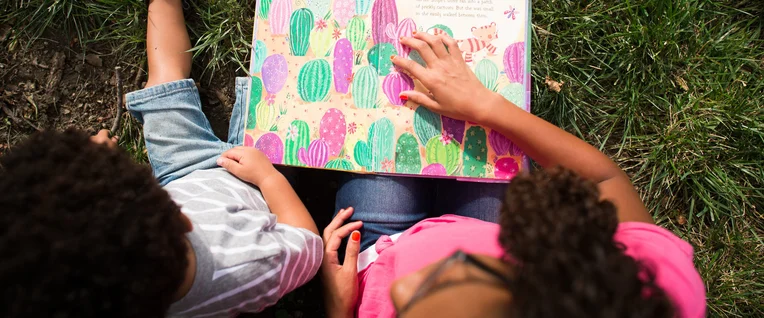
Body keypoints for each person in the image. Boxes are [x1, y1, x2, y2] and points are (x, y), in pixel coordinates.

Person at [319, 31, 706, 318]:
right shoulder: (652, 286)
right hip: (484, 227)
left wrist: (341, 312)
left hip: (370, 263)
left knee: (378, 118)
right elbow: (606, 181)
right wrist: (484, 104)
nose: (404, 287)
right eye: (460, 273)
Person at [0, 0, 322, 317]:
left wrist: (95, 165)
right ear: (180, 216)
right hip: (256, 188)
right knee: (282, 99)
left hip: (184, 174)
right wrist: (267, 177)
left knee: (165, 80)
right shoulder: (248, 266)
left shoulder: (123, 284)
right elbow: (308, 243)